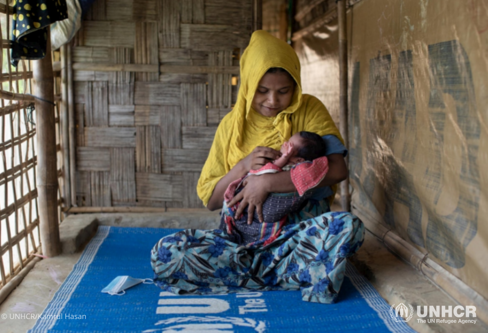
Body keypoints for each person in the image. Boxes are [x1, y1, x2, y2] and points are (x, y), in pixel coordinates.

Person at [150, 30, 365, 304]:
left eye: (284, 91)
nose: (273, 101)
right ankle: (290, 274)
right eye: (262, 91)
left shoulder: (309, 109)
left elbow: (337, 170)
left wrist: (268, 183)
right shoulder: (231, 125)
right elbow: (212, 200)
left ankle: (249, 277)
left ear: (296, 86)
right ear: (248, 84)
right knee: (168, 252)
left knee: (348, 227)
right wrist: (242, 166)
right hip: (239, 243)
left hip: (295, 238)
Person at [220, 131, 329, 246]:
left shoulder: (299, 168)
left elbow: (274, 168)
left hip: (271, 209)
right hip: (252, 197)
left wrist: (285, 157)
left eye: (289, 145)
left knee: (260, 215)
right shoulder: (284, 160)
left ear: (299, 160)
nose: (284, 144)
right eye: (287, 142)